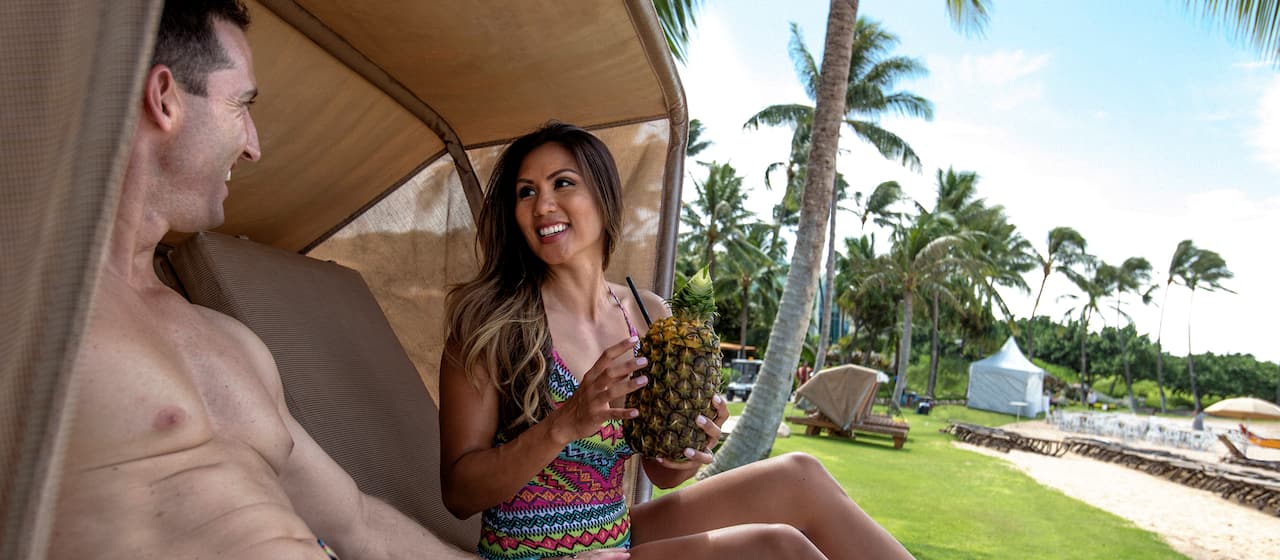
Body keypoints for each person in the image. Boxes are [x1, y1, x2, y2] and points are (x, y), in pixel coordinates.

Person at [50, 3, 472, 559]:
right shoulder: (34, 323)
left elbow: (359, 524)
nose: (253, 146)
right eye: (240, 106)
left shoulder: (230, 340)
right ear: (164, 98)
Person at [439, 122, 913, 560]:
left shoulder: (648, 316)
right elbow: (459, 494)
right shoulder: (490, 326)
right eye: (526, 192)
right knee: (779, 550)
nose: (543, 205)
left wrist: (690, 446)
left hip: (616, 536)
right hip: (531, 552)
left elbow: (661, 474)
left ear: (604, 197)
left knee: (800, 476)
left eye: (563, 183)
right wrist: (563, 424)